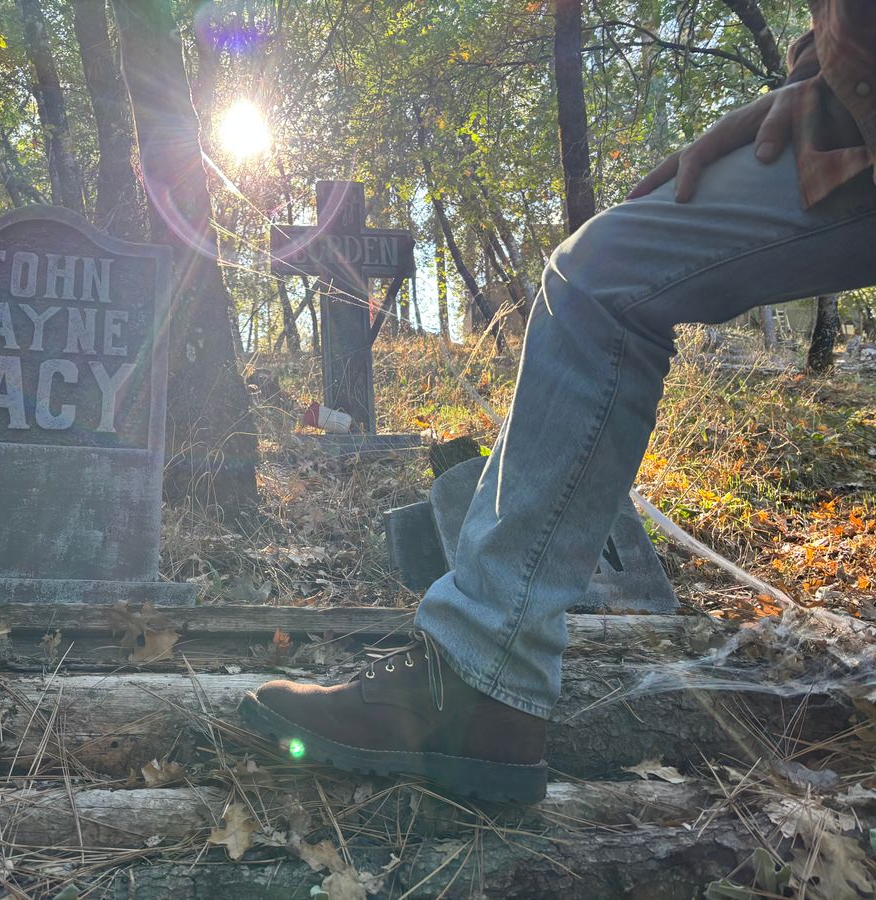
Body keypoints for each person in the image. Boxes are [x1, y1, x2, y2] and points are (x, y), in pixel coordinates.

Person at [239, 0, 876, 804]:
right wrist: (814, 79)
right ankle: (482, 678)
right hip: (846, 111)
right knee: (602, 267)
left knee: (601, 275)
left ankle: (482, 675)